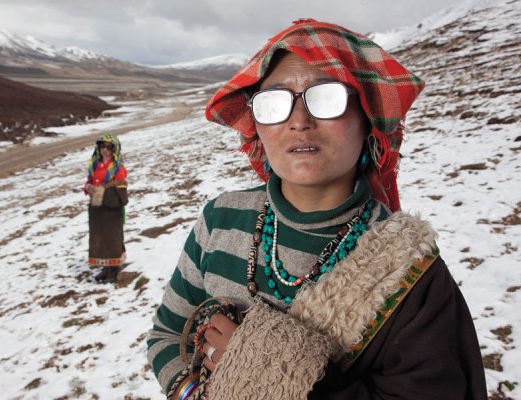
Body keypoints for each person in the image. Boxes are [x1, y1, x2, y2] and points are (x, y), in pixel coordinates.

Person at [147, 19, 487, 400]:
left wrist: (262, 370)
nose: (299, 122)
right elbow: (167, 334)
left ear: (367, 119)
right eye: (275, 103)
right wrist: (194, 393)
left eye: (326, 98)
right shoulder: (220, 220)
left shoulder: (409, 271)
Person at [84, 132, 128, 283]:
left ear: (114, 149)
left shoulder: (117, 167)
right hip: (97, 208)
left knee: (112, 238)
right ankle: (105, 268)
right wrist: (88, 187)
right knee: (100, 237)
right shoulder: (94, 165)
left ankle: (113, 270)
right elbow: (89, 181)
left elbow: (120, 185)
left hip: (111, 208)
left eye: (109, 147)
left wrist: (103, 190)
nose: (105, 150)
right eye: (102, 146)